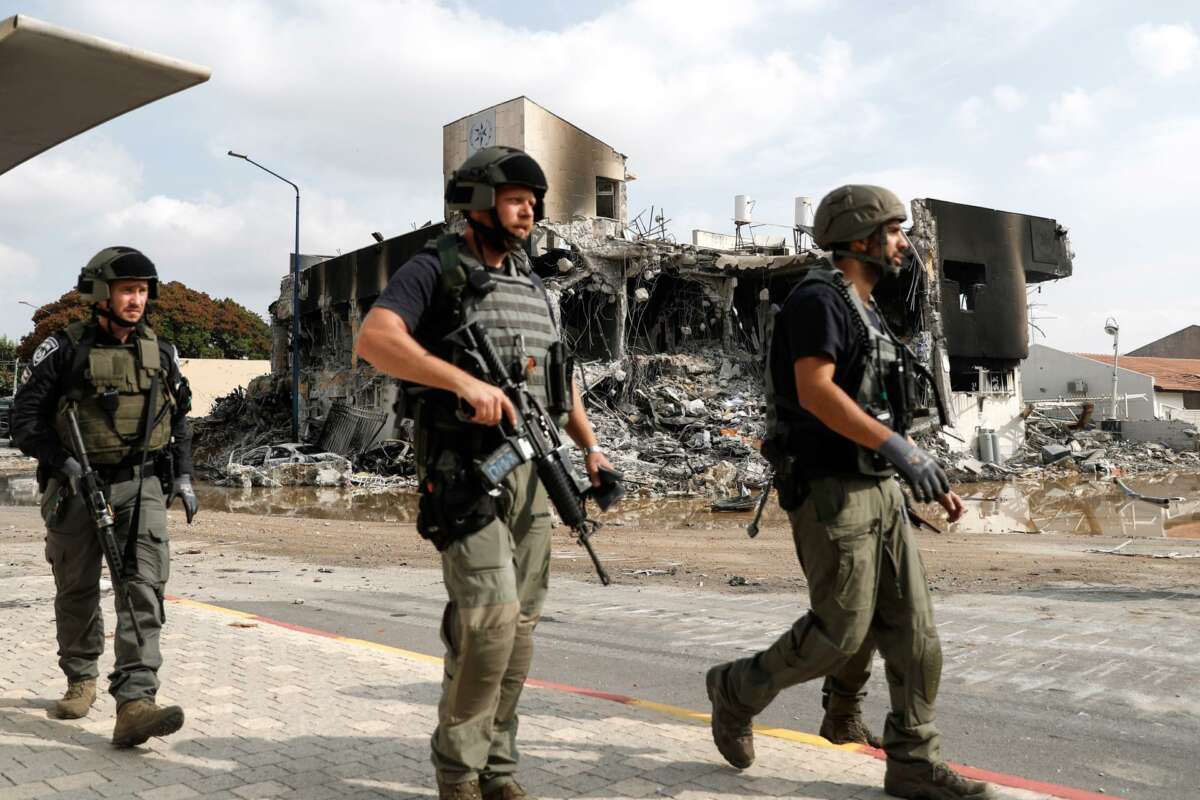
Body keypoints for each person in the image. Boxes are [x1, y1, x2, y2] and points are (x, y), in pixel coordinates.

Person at [705, 185, 994, 799]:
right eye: (893, 232)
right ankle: (735, 689)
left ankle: (913, 760)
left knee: (916, 636)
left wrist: (921, 469)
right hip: (832, 491)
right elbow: (816, 391)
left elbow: (876, 405)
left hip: (881, 489)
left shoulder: (866, 309)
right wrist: (898, 449)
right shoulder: (818, 299)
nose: (903, 243)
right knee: (838, 633)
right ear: (860, 237)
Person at [355, 146, 612, 800]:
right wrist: (461, 381)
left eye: (533, 200)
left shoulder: (533, 288)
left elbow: (562, 384)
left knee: (518, 631)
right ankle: (458, 769)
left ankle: (499, 766)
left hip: (531, 467)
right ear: (477, 201)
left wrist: (591, 450)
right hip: (464, 470)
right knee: (491, 621)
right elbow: (376, 339)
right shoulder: (432, 270)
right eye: (516, 197)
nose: (529, 210)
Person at [11, 246, 198, 747]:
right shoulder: (62, 349)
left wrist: (182, 478)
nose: (135, 300)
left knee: (144, 585)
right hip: (75, 485)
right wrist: (61, 461)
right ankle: (81, 676)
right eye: (126, 290)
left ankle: (136, 701)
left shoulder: (162, 351)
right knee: (77, 588)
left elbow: (178, 419)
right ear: (101, 294)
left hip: (142, 484)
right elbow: (23, 422)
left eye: (141, 291)